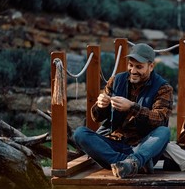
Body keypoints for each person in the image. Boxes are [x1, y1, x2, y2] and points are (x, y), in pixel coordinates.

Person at [73, 43, 173, 178]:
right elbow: (98, 117)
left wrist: (132, 107)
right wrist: (101, 106)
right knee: (80, 133)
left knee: (164, 132)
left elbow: (160, 119)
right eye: (131, 65)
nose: (133, 70)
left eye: (139, 67)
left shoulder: (164, 88)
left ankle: (132, 161)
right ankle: (131, 164)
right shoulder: (116, 80)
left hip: (142, 146)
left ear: (151, 66)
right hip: (114, 143)